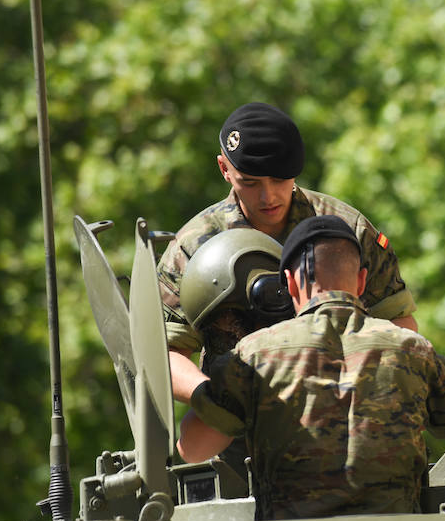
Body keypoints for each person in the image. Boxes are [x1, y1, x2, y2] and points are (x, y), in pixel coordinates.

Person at [177, 216, 445, 520]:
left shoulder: (253, 355)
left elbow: (193, 448)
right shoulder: (411, 349)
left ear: (289, 283)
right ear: (362, 281)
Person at [158, 101, 418, 403]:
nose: (268, 196)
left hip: (341, 421)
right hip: (236, 431)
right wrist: (216, 404)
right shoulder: (194, 246)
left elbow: (399, 326)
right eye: (250, 182)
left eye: (280, 180)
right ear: (224, 170)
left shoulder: (346, 230)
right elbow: (166, 353)